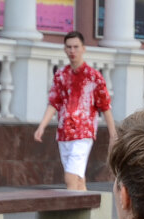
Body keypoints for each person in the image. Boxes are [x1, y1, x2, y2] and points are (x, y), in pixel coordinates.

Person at [32, 32, 115, 192]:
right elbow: (53, 103)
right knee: (78, 179)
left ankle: (70, 213)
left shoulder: (93, 76)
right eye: (69, 47)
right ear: (64, 49)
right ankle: (88, 213)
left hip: (84, 133)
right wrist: (42, 126)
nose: (72, 51)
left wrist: (113, 135)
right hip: (64, 133)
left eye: (76, 47)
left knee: (70, 177)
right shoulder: (61, 75)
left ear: (83, 49)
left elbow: (105, 106)